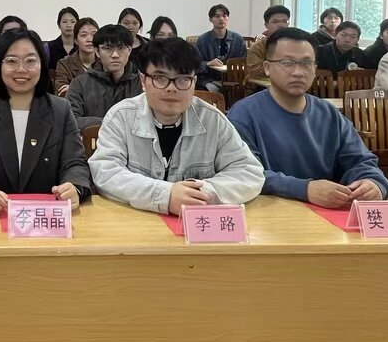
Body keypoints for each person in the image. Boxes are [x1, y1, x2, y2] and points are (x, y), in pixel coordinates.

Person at [90, 38, 263, 214]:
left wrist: (200, 192)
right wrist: (165, 196)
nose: (171, 88)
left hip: (196, 224)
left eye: (183, 79)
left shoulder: (213, 120)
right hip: (136, 221)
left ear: (194, 82)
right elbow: (105, 172)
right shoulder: (120, 117)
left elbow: (249, 172)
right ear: (143, 80)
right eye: (160, 78)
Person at [228, 27, 388, 207]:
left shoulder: (329, 114)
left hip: (327, 212)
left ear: (315, 69)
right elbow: (244, 172)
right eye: (287, 63)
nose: (298, 72)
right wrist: (304, 189)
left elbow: (360, 160)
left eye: (306, 63)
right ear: (267, 68)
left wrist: (373, 183)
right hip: (269, 213)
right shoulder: (244, 114)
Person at [0, 29, 91, 217]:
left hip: (45, 217)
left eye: (30, 61)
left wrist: (73, 187)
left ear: (42, 64)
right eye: (11, 61)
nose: (21, 69)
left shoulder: (60, 109)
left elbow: (75, 163)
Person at [66, 23, 142, 128]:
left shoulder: (142, 82)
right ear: (97, 51)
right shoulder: (79, 84)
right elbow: (71, 120)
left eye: (121, 48)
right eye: (108, 48)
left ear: (129, 50)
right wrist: (109, 123)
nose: (115, 55)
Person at [195, 3, 247, 92]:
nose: (221, 19)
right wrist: (208, 64)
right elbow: (195, 64)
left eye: (224, 16)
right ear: (210, 19)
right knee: (214, 90)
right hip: (209, 79)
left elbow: (244, 61)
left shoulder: (237, 39)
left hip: (232, 79)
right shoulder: (203, 40)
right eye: (217, 16)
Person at [245, 5, 292, 91]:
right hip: (260, 88)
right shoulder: (257, 48)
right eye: (275, 21)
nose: (281, 25)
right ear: (266, 25)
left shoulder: (295, 46)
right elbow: (255, 71)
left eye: (284, 21)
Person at [53, 16, 99, 94]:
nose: (90, 40)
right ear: (76, 40)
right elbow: (61, 93)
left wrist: (74, 88)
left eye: (94, 35)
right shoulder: (64, 64)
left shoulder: (104, 62)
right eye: (84, 35)